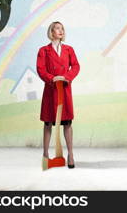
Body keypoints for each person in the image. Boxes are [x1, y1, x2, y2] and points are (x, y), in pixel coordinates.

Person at [36, 21, 80, 168]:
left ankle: (71, 154)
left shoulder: (69, 49)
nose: (60, 31)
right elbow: (41, 69)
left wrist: (67, 77)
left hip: (65, 88)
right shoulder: (43, 51)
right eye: (57, 28)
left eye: (62, 28)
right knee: (48, 123)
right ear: (51, 32)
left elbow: (75, 65)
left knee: (67, 122)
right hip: (51, 90)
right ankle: (45, 154)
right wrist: (51, 78)